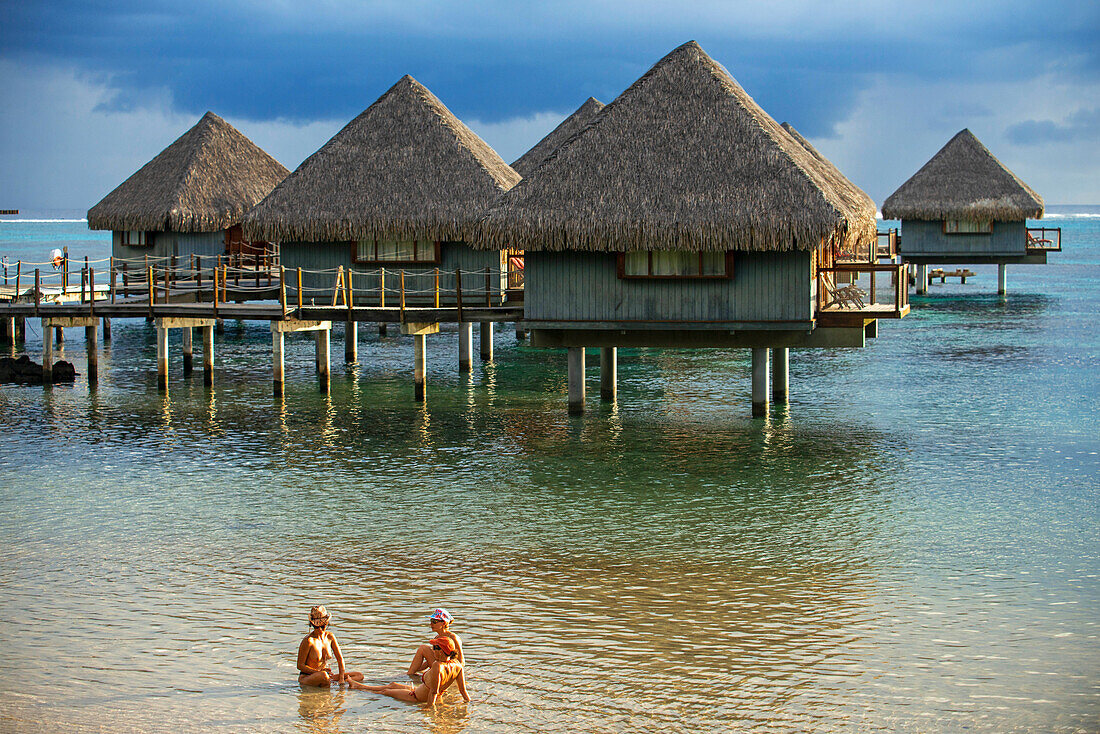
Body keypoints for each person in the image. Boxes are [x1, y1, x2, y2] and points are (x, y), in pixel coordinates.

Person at [350, 636, 469, 705]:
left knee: (386, 692)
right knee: (393, 684)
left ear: (440, 650)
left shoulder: (438, 665)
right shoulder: (457, 665)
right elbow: (463, 690)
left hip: (416, 697)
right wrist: (469, 702)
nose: (432, 651)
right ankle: (359, 685)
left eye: (434, 648)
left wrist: (430, 710)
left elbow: (434, 691)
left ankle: (360, 688)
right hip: (418, 691)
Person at [296, 605, 364, 686]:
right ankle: (331, 685)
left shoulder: (330, 637)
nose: (320, 629)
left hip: (326, 675)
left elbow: (340, 659)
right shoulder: (308, 641)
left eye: (322, 625)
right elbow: (300, 665)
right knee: (324, 676)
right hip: (308, 677)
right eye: (317, 626)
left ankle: (335, 685)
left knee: (359, 675)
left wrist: (341, 679)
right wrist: (318, 672)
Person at [407, 608, 463, 678]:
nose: (431, 624)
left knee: (423, 648)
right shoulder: (437, 638)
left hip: (447, 669)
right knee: (423, 649)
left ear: (444, 623)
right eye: (431, 621)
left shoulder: (453, 637)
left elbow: (461, 661)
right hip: (439, 666)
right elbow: (429, 661)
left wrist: (454, 674)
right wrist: (416, 669)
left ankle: (408, 675)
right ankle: (409, 674)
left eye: (434, 621)